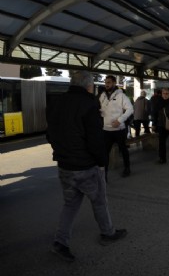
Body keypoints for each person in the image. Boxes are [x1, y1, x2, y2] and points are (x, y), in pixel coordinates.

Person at [46, 71, 127, 262]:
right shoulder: (90, 104)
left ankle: (60, 242)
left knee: (70, 204)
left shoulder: (56, 102)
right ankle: (108, 233)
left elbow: (50, 134)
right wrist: (101, 162)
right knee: (99, 201)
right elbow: (95, 139)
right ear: (89, 86)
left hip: (64, 165)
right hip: (86, 166)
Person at [99, 75, 134, 178]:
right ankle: (104, 174)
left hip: (119, 129)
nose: (106, 84)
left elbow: (130, 109)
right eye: (106, 82)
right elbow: (102, 109)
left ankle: (127, 168)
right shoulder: (102, 95)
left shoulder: (121, 96)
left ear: (114, 83)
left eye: (109, 82)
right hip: (106, 130)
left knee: (123, 149)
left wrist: (119, 120)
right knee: (105, 152)